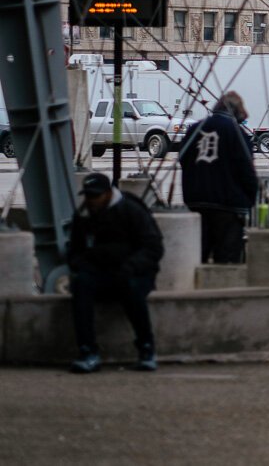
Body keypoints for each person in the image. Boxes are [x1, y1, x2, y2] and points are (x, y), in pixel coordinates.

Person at [66, 172, 165, 373]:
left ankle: (146, 348)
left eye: (96, 196)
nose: (92, 201)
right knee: (81, 285)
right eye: (89, 196)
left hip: (135, 271)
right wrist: (83, 265)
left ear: (109, 193)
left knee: (132, 288)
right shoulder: (83, 216)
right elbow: (75, 251)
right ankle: (87, 351)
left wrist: (131, 266)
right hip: (100, 271)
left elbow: (153, 247)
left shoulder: (131, 210)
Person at [178, 90, 257, 263]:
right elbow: (247, 171)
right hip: (229, 205)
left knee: (198, 257)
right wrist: (250, 199)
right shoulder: (237, 134)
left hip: (195, 201)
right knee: (226, 260)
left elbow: (182, 159)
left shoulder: (194, 129)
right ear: (236, 113)